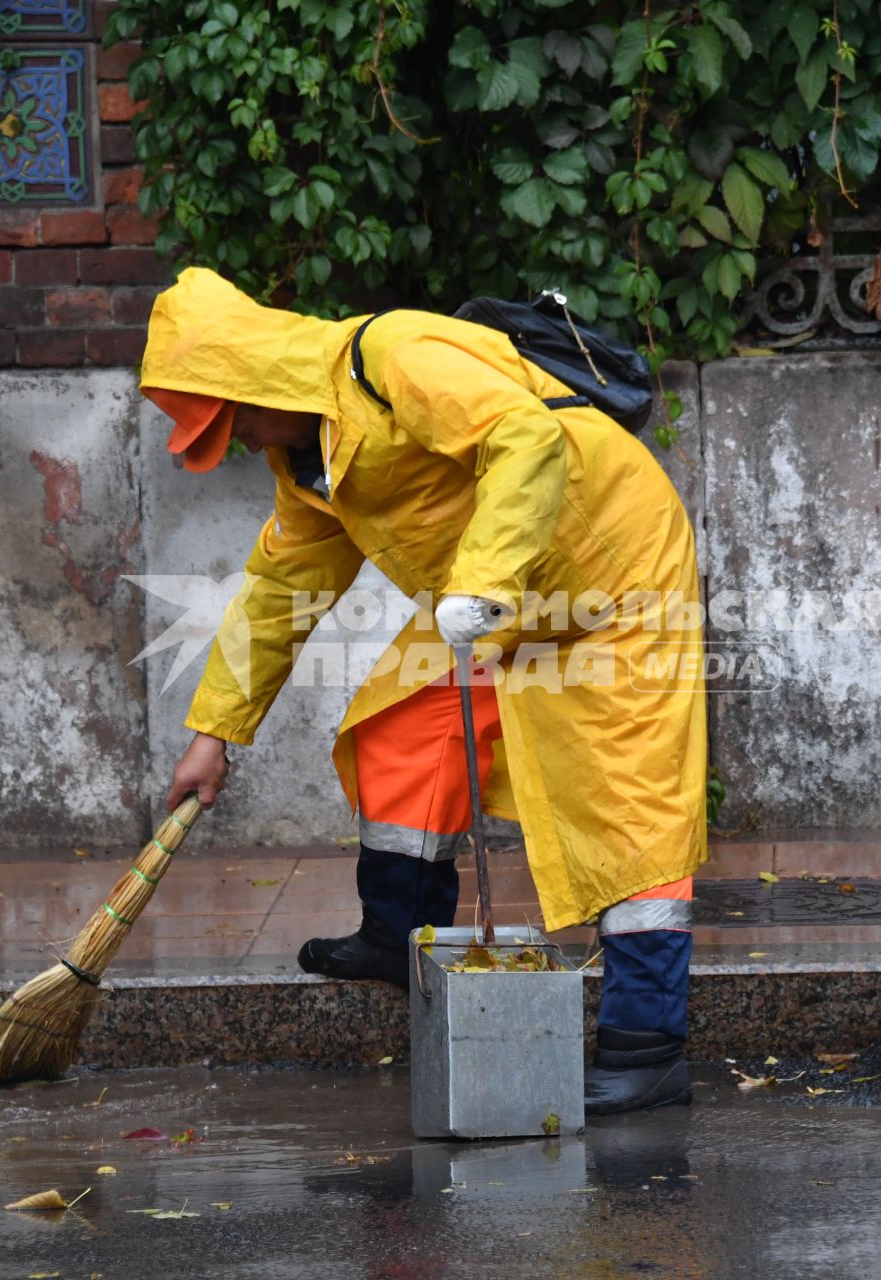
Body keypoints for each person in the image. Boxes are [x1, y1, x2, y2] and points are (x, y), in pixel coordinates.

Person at [148, 267, 707, 1114]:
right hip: (496, 593)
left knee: (629, 812)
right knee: (403, 731)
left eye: (240, 422)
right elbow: (275, 594)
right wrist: (212, 734)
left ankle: (647, 1045)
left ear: (257, 380)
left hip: (610, 571)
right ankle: (398, 933)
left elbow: (525, 438)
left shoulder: (396, 355)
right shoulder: (308, 462)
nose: (249, 442)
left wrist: (479, 580)